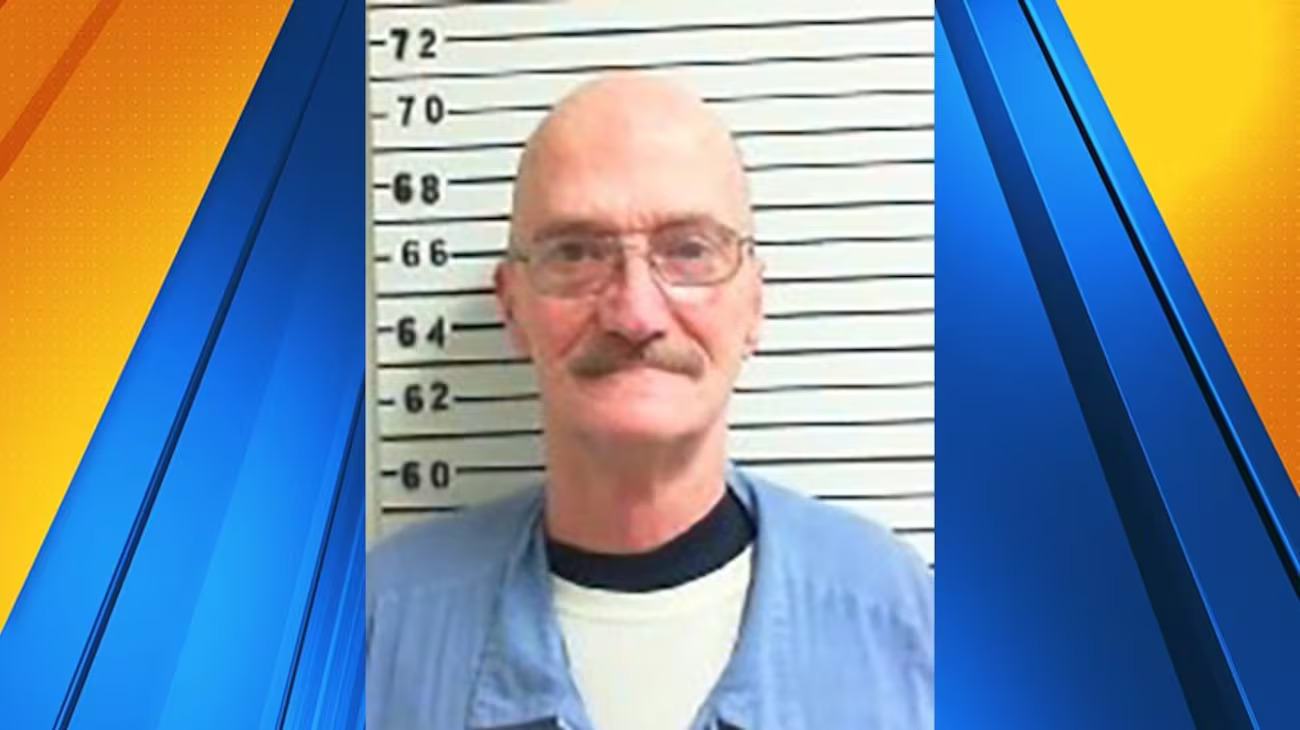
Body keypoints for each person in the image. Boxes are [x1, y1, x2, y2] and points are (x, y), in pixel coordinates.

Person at [366, 72, 934, 730]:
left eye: (690, 250)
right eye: (575, 253)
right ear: (512, 307)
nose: (635, 315)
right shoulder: (372, 635)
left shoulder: (908, 631)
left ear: (754, 303)